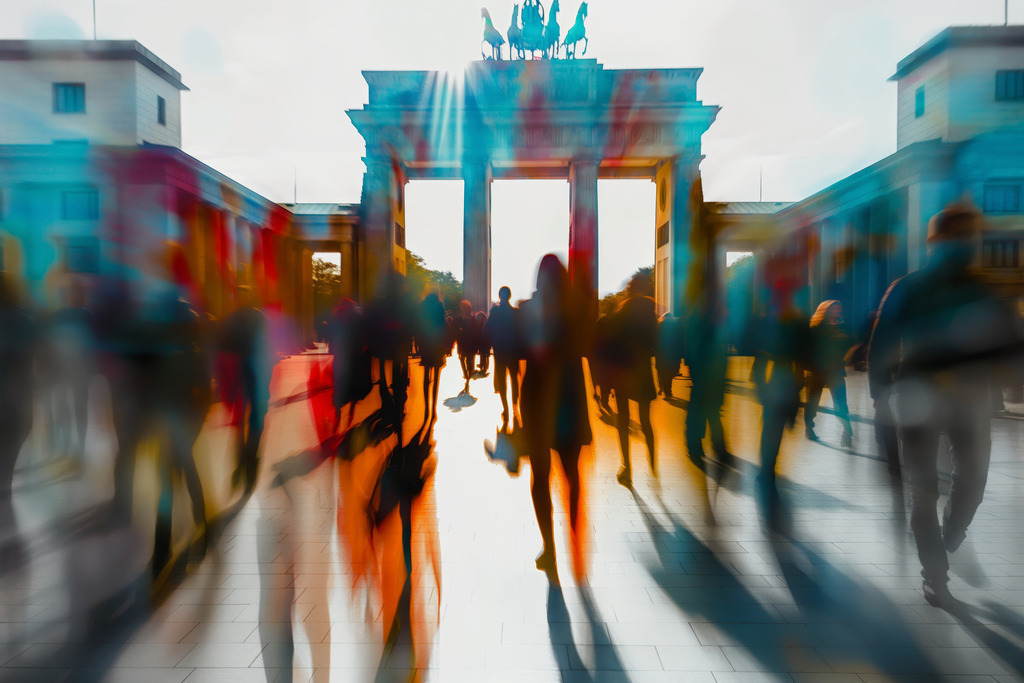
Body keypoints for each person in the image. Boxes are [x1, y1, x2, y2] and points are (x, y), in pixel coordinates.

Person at [868, 204, 1021, 608]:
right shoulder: (910, 287)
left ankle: (951, 534)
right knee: (923, 492)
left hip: (968, 400)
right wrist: (879, 393)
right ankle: (935, 576)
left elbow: (1010, 345)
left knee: (972, 483)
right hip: (920, 398)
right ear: (936, 242)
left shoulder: (983, 289)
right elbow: (883, 341)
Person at [519, 255, 592, 576]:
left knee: (540, 476)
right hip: (569, 398)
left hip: (537, 400)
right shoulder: (577, 312)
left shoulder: (530, 311)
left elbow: (523, 351)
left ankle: (549, 545)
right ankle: (573, 532)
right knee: (571, 472)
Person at [606, 275, 658, 486]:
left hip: (623, 372)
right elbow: (655, 342)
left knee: (623, 420)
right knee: (646, 420)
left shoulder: (622, 310)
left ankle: (627, 465)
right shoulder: (650, 310)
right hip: (643, 370)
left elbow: (613, 343)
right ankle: (653, 462)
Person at [804, 300, 854, 447]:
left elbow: (847, 345)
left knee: (841, 403)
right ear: (825, 310)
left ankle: (847, 431)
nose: (838, 311)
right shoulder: (815, 327)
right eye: (834, 308)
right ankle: (809, 428)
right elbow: (807, 348)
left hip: (836, 371)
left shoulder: (842, 327)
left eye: (839, 308)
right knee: (812, 402)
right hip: (817, 371)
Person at [485, 286, 520, 425]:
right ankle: (515, 406)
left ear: (499, 296)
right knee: (514, 380)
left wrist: (487, 347)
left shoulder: (495, 312)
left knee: (502, 381)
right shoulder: (515, 313)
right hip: (513, 352)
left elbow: (487, 330)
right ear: (510, 296)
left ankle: (505, 409)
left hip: (499, 352)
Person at [417, 289, 448, 423]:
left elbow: (419, 326)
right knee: (436, 378)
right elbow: (443, 326)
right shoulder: (440, 306)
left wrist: (419, 346)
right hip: (437, 346)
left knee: (425, 377)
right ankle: (433, 406)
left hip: (426, 346)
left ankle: (425, 406)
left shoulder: (423, 306)